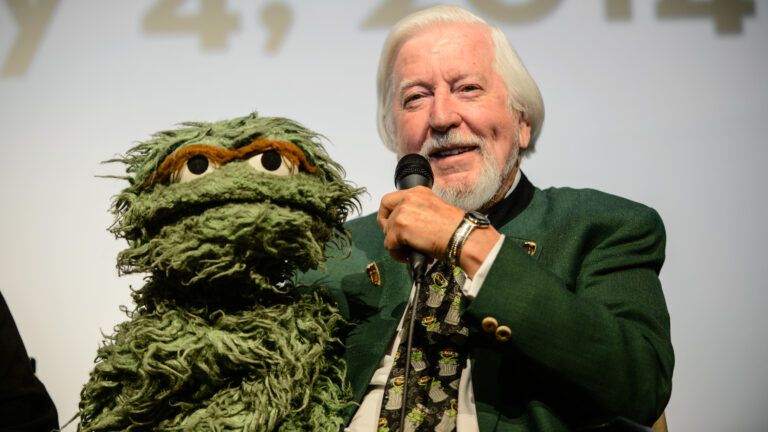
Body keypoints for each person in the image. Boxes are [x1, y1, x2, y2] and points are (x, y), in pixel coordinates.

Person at [304, 5, 673, 431]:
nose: (441, 117)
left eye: (468, 88)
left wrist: (467, 239)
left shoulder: (602, 226)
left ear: (522, 123)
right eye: (416, 98)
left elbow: (640, 385)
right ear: (394, 134)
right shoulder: (338, 249)